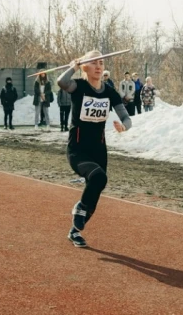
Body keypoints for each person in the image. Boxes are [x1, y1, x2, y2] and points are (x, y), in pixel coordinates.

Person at [57, 50, 132, 248]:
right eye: (94, 63)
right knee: (98, 177)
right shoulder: (78, 86)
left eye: (101, 62)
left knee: (96, 189)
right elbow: (62, 82)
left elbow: (126, 118)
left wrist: (124, 126)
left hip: (99, 149)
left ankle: (75, 231)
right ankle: (79, 207)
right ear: (85, 67)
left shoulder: (109, 91)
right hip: (78, 149)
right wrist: (72, 66)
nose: (99, 66)